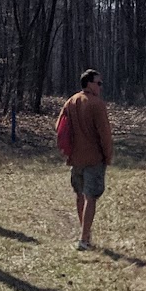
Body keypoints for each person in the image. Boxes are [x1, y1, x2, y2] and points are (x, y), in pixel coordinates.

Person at [56, 67, 114, 250]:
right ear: (89, 84)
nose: (100, 87)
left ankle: (85, 233)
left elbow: (59, 126)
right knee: (91, 197)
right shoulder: (97, 104)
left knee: (80, 195)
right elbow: (105, 134)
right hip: (94, 159)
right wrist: (108, 156)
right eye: (99, 83)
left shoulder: (71, 101)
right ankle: (84, 239)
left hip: (75, 158)